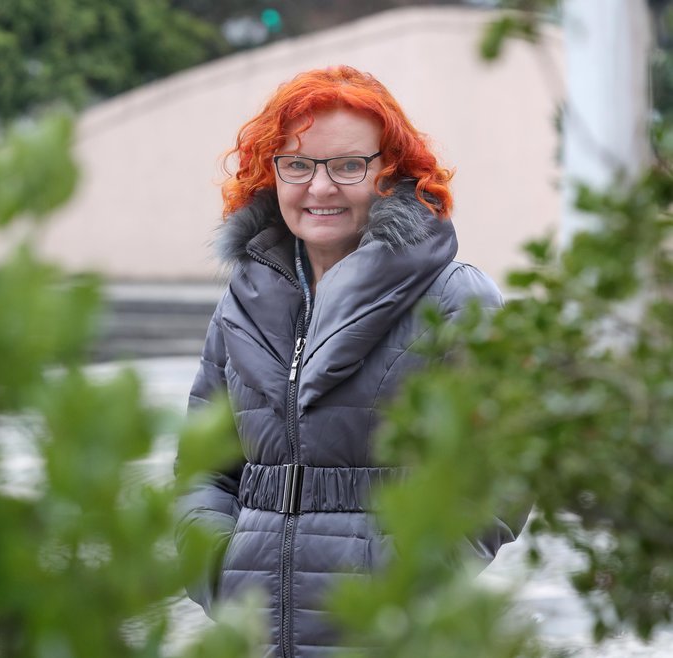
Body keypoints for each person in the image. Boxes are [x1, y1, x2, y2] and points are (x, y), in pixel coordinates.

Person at [174, 65, 524, 656]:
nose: (320, 188)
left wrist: (409, 587)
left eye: (347, 165)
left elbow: (500, 477)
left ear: (390, 173)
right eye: (299, 164)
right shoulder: (241, 305)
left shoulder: (456, 300)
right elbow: (201, 471)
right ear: (272, 173)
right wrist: (215, 568)